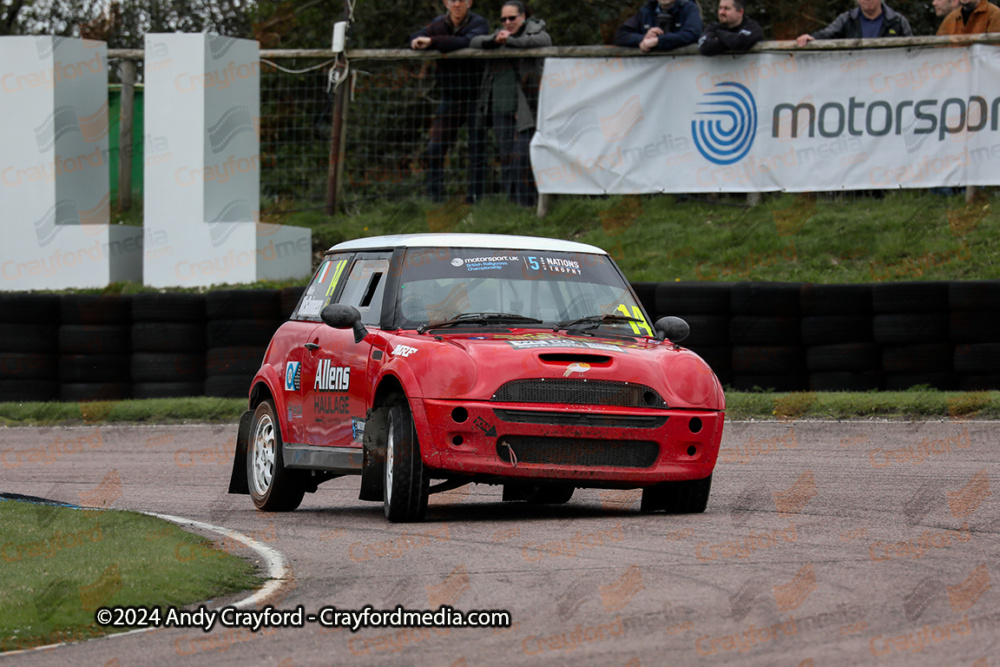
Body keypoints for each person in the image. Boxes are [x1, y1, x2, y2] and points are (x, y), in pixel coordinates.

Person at [471, 1, 550, 207]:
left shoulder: (536, 32)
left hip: (526, 107)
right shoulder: (498, 36)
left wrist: (510, 41)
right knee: (506, 157)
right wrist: (496, 40)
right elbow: (475, 42)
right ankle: (512, 205)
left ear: (523, 16)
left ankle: (529, 203)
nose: (507, 23)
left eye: (512, 18)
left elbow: (543, 41)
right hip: (499, 107)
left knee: (523, 157)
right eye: (503, 19)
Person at [410, 0, 489, 203]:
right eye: (452, 0)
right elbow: (415, 37)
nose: (457, 4)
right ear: (446, 3)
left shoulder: (478, 23)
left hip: (475, 95)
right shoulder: (438, 24)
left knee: (477, 148)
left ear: (469, 3)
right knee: (435, 148)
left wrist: (433, 42)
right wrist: (418, 42)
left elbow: (466, 42)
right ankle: (435, 198)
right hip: (450, 95)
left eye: (462, 0)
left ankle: (475, 199)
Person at [795, 0, 912, 46]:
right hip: (855, 82)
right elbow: (828, 34)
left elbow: (913, 52)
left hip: (890, 85)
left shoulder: (898, 21)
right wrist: (812, 38)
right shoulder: (846, 19)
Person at [614, 0, 703, 53]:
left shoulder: (689, 9)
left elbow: (692, 34)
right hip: (652, 72)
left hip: (684, 68)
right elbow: (621, 35)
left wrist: (659, 41)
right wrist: (643, 39)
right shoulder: (646, 11)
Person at [698, 0, 764, 55]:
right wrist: (730, 43)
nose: (721, 12)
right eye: (720, 8)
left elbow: (739, 43)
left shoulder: (751, 26)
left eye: (727, 9)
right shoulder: (714, 27)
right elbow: (704, 47)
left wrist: (719, 34)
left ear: (740, 12)